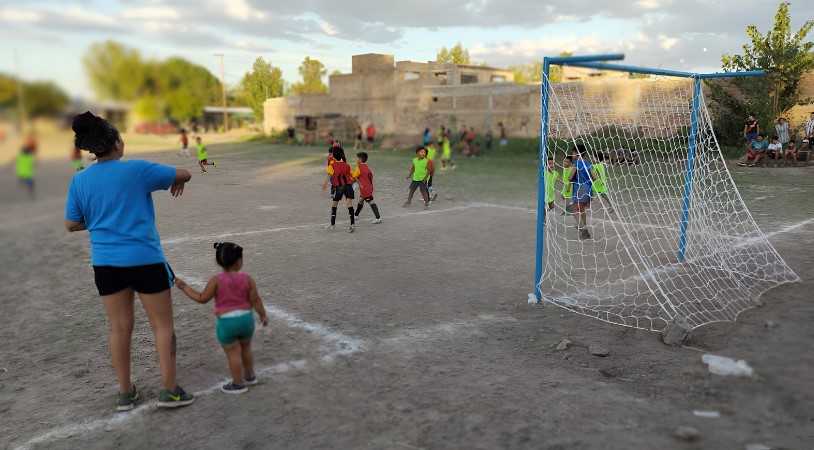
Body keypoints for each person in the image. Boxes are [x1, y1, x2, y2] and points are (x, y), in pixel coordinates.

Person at [64, 111, 194, 411]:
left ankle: (125, 392)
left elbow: (72, 224)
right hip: (144, 259)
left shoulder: (80, 179)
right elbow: (185, 173)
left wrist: (98, 219)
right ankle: (170, 391)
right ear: (116, 143)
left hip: (106, 264)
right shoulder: (137, 170)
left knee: (119, 329)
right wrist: (178, 180)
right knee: (162, 326)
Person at [174, 243, 269, 395]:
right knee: (246, 348)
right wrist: (263, 314)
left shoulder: (216, 280)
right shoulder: (247, 279)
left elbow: (202, 298)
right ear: (239, 262)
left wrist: (184, 287)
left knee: (233, 353)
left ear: (220, 261)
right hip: (246, 321)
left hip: (227, 323)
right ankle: (250, 375)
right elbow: (255, 299)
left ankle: (238, 383)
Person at [321, 146, 357, 232]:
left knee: (334, 204)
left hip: (339, 187)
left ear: (333, 156)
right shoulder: (347, 165)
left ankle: (332, 225)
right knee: (349, 204)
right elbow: (354, 176)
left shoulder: (332, 166)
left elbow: (328, 177)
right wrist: (351, 182)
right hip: (348, 186)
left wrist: (325, 184)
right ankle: (352, 224)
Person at [567, 144, 596, 239]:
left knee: (575, 210)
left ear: (576, 153)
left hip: (580, 189)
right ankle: (583, 225)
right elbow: (594, 178)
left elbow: (570, 177)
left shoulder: (576, 163)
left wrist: (574, 179)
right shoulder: (587, 163)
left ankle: (584, 231)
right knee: (582, 209)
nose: (572, 154)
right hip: (588, 189)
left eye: (573, 153)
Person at [351, 152, 383, 224]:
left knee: (371, 201)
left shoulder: (358, 168)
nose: (356, 160)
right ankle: (356, 215)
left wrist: (349, 183)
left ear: (361, 159)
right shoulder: (367, 167)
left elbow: (354, 178)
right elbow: (371, 176)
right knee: (360, 200)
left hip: (364, 188)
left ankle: (378, 218)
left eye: (357, 158)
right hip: (369, 187)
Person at [543, 157, 558, 222]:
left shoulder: (556, 173)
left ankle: (543, 213)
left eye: (552, 163)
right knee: (544, 207)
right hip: (544, 193)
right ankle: (543, 220)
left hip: (550, 194)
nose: (551, 165)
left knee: (552, 206)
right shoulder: (544, 172)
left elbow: (562, 180)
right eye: (549, 163)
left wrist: (566, 185)